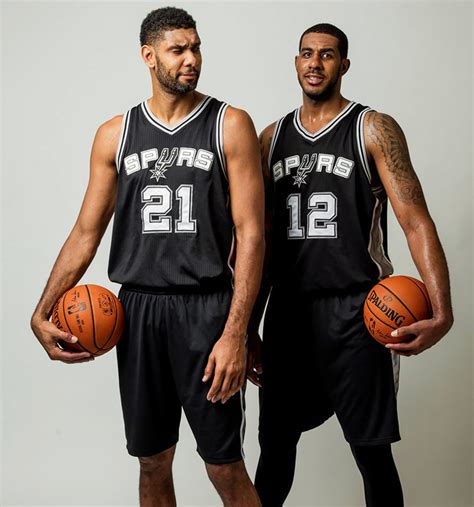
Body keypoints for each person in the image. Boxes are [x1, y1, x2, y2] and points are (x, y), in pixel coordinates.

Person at [30, 7, 264, 506]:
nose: (191, 59)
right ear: (148, 55)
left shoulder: (230, 125)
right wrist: (42, 308)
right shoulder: (116, 133)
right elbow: (85, 232)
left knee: (224, 466)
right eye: (178, 50)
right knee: (152, 460)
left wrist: (236, 332)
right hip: (137, 312)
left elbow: (252, 235)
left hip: (206, 311)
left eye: (196, 47)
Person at [247, 23, 453, 507]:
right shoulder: (270, 139)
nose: (314, 63)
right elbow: (260, 242)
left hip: (360, 312)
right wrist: (247, 328)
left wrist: (442, 311)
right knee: (273, 450)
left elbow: (416, 221)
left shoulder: (372, 128)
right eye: (306, 54)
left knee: (371, 452)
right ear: (296, 62)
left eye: (327, 54)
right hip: (288, 313)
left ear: (344, 65)